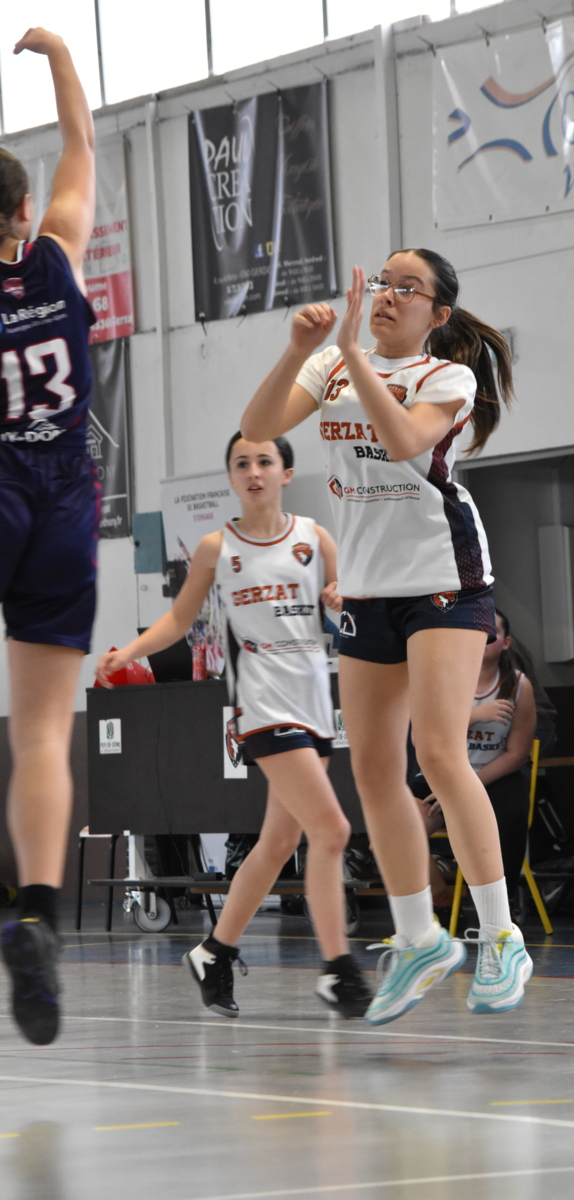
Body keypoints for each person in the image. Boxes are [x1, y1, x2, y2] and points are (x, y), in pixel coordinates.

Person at [239, 250, 533, 1023]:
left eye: (410, 288)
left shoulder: (446, 378)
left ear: (439, 314)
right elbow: (258, 428)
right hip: (369, 588)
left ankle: (501, 936)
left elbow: (403, 440)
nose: (389, 296)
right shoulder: (332, 365)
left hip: (444, 579)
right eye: (384, 283)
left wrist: (350, 356)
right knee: (373, 770)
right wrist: (301, 351)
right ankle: (419, 939)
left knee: (438, 752)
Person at [97, 434, 372, 1018]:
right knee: (332, 831)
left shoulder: (315, 539)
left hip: (313, 703)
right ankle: (338, 970)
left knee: (279, 842)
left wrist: (341, 599)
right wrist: (129, 654)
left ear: (286, 472)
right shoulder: (217, 547)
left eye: (264, 461)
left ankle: (214, 952)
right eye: (242, 463)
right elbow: (179, 620)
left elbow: (348, 609)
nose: (253, 471)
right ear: (230, 477)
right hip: (262, 701)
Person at [0, 30, 97, 1045]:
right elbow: (80, 142)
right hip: (65, 500)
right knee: (40, 732)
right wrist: (62, 53)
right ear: (23, 212)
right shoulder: (58, 256)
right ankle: (36, 910)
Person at [412, 609, 537, 920]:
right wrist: (475, 716)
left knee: (511, 813)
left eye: (491, 633)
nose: (483, 638)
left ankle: (501, 906)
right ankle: (441, 898)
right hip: (441, 774)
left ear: (505, 642)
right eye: (476, 631)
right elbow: (422, 735)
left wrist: (466, 788)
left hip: (492, 776)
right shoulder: (443, 677)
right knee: (396, 832)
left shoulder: (519, 686)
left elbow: (516, 754)